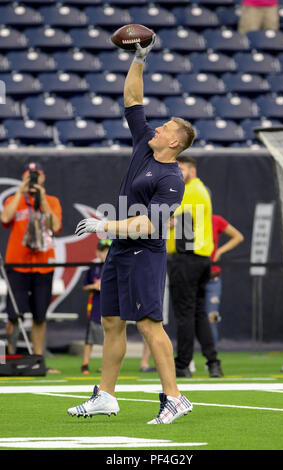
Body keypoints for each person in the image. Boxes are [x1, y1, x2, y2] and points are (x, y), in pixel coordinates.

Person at [67, 35, 196, 424]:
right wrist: (140, 59)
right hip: (121, 249)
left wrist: (103, 224)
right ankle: (106, 394)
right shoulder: (144, 143)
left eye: (166, 126)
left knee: (148, 324)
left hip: (145, 251)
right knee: (109, 320)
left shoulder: (173, 177)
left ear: (175, 141)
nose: (157, 126)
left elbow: (149, 223)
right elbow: (133, 100)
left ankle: (174, 396)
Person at [0, 162, 62, 366]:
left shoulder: (51, 200)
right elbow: (5, 217)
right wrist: (20, 191)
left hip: (43, 264)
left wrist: (42, 197)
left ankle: (38, 359)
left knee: (40, 316)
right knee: (13, 315)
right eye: (30, 176)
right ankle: (10, 357)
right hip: (17, 264)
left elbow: (56, 225)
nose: (34, 179)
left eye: (37, 176)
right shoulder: (13, 199)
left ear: (43, 178)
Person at [167, 156, 223, 378]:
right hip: (201, 259)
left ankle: (182, 365)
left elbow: (171, 220)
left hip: (186, 258)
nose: (177, 173)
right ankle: (213, 363)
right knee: (198, 312)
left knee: (184, 314)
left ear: (193, 170)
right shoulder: (200, 189)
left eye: (181, 169)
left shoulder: (189, 191)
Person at [206, 215, 244, 346]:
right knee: (191, 317)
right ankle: (188, 359)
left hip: (212, 277)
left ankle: (211, 360)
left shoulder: (216, 220)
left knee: (212, 316)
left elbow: (238, 236)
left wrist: (220, 251)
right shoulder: (188, 220)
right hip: (194, 276)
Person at [81, 239, 112, 375]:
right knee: (90, 338)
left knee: (110, 338)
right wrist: (94, 286)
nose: (104, 253)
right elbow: (85, 285)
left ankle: (107, 365)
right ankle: (85, 363)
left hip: (111, 307)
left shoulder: (114, 266)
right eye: (102, 250)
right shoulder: (93, 268)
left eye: (106, 250)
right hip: (95, 307)